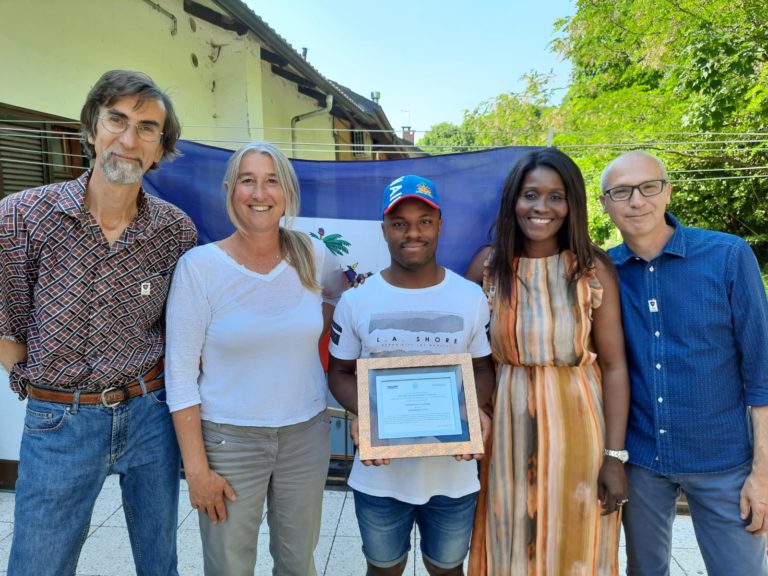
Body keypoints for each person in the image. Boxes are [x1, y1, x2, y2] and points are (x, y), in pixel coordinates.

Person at [0, 69, 196, 576]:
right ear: (90, 129)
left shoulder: (175, 232)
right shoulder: (22, 216)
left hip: (151, 415)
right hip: (60, 421)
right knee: (38, 566)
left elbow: (181, 329)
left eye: (147, 128)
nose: (129, 140)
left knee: (160, 564)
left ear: (160, 149)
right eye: (116, 120)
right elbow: (5, 318)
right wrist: (33, 385)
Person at [165, 141, 347, 576]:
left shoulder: (314, 254)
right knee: (229, 565)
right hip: (229, 441)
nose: (260, 193)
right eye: (248, 180)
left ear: (288, 193)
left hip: (305, 434)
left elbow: (340, 299)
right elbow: (180, 375)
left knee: (298, 563)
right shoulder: (199, 268)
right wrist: (197, 470)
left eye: (272, 181)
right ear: (230, 190)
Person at [600, 150, 768, 576]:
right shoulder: (604, 271)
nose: (636, 200)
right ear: (604, 204)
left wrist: (763, 474)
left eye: (648, 187)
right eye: (621, 192)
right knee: (644, 570)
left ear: (668, 192)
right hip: (642, 461)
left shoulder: (727, 256)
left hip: (723, 460)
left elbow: (762, 373)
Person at [468, 148, 630, 575]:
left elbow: (615, 367)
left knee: (575, 546)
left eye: (556, 196)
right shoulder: (488, 267)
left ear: (572, 204)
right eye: (530, 195)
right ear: (513, 201)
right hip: (505, 437)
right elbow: (462, 354)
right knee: (508, 547)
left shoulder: (591, 269)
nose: (541, 207)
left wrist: (614, 457)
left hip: (580, 438)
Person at [327, 174, 496, 576]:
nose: (413, 232)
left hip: (453, 474)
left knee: (447, 569)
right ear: (384, 230)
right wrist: (368, 414)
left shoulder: (470, 297)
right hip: (380, 477)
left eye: (424, 221)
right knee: (383, 569)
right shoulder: (356, 300)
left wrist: (473, 411)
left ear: (440, 226)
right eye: (400, 223)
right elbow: (339, 372)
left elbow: (483, 367)